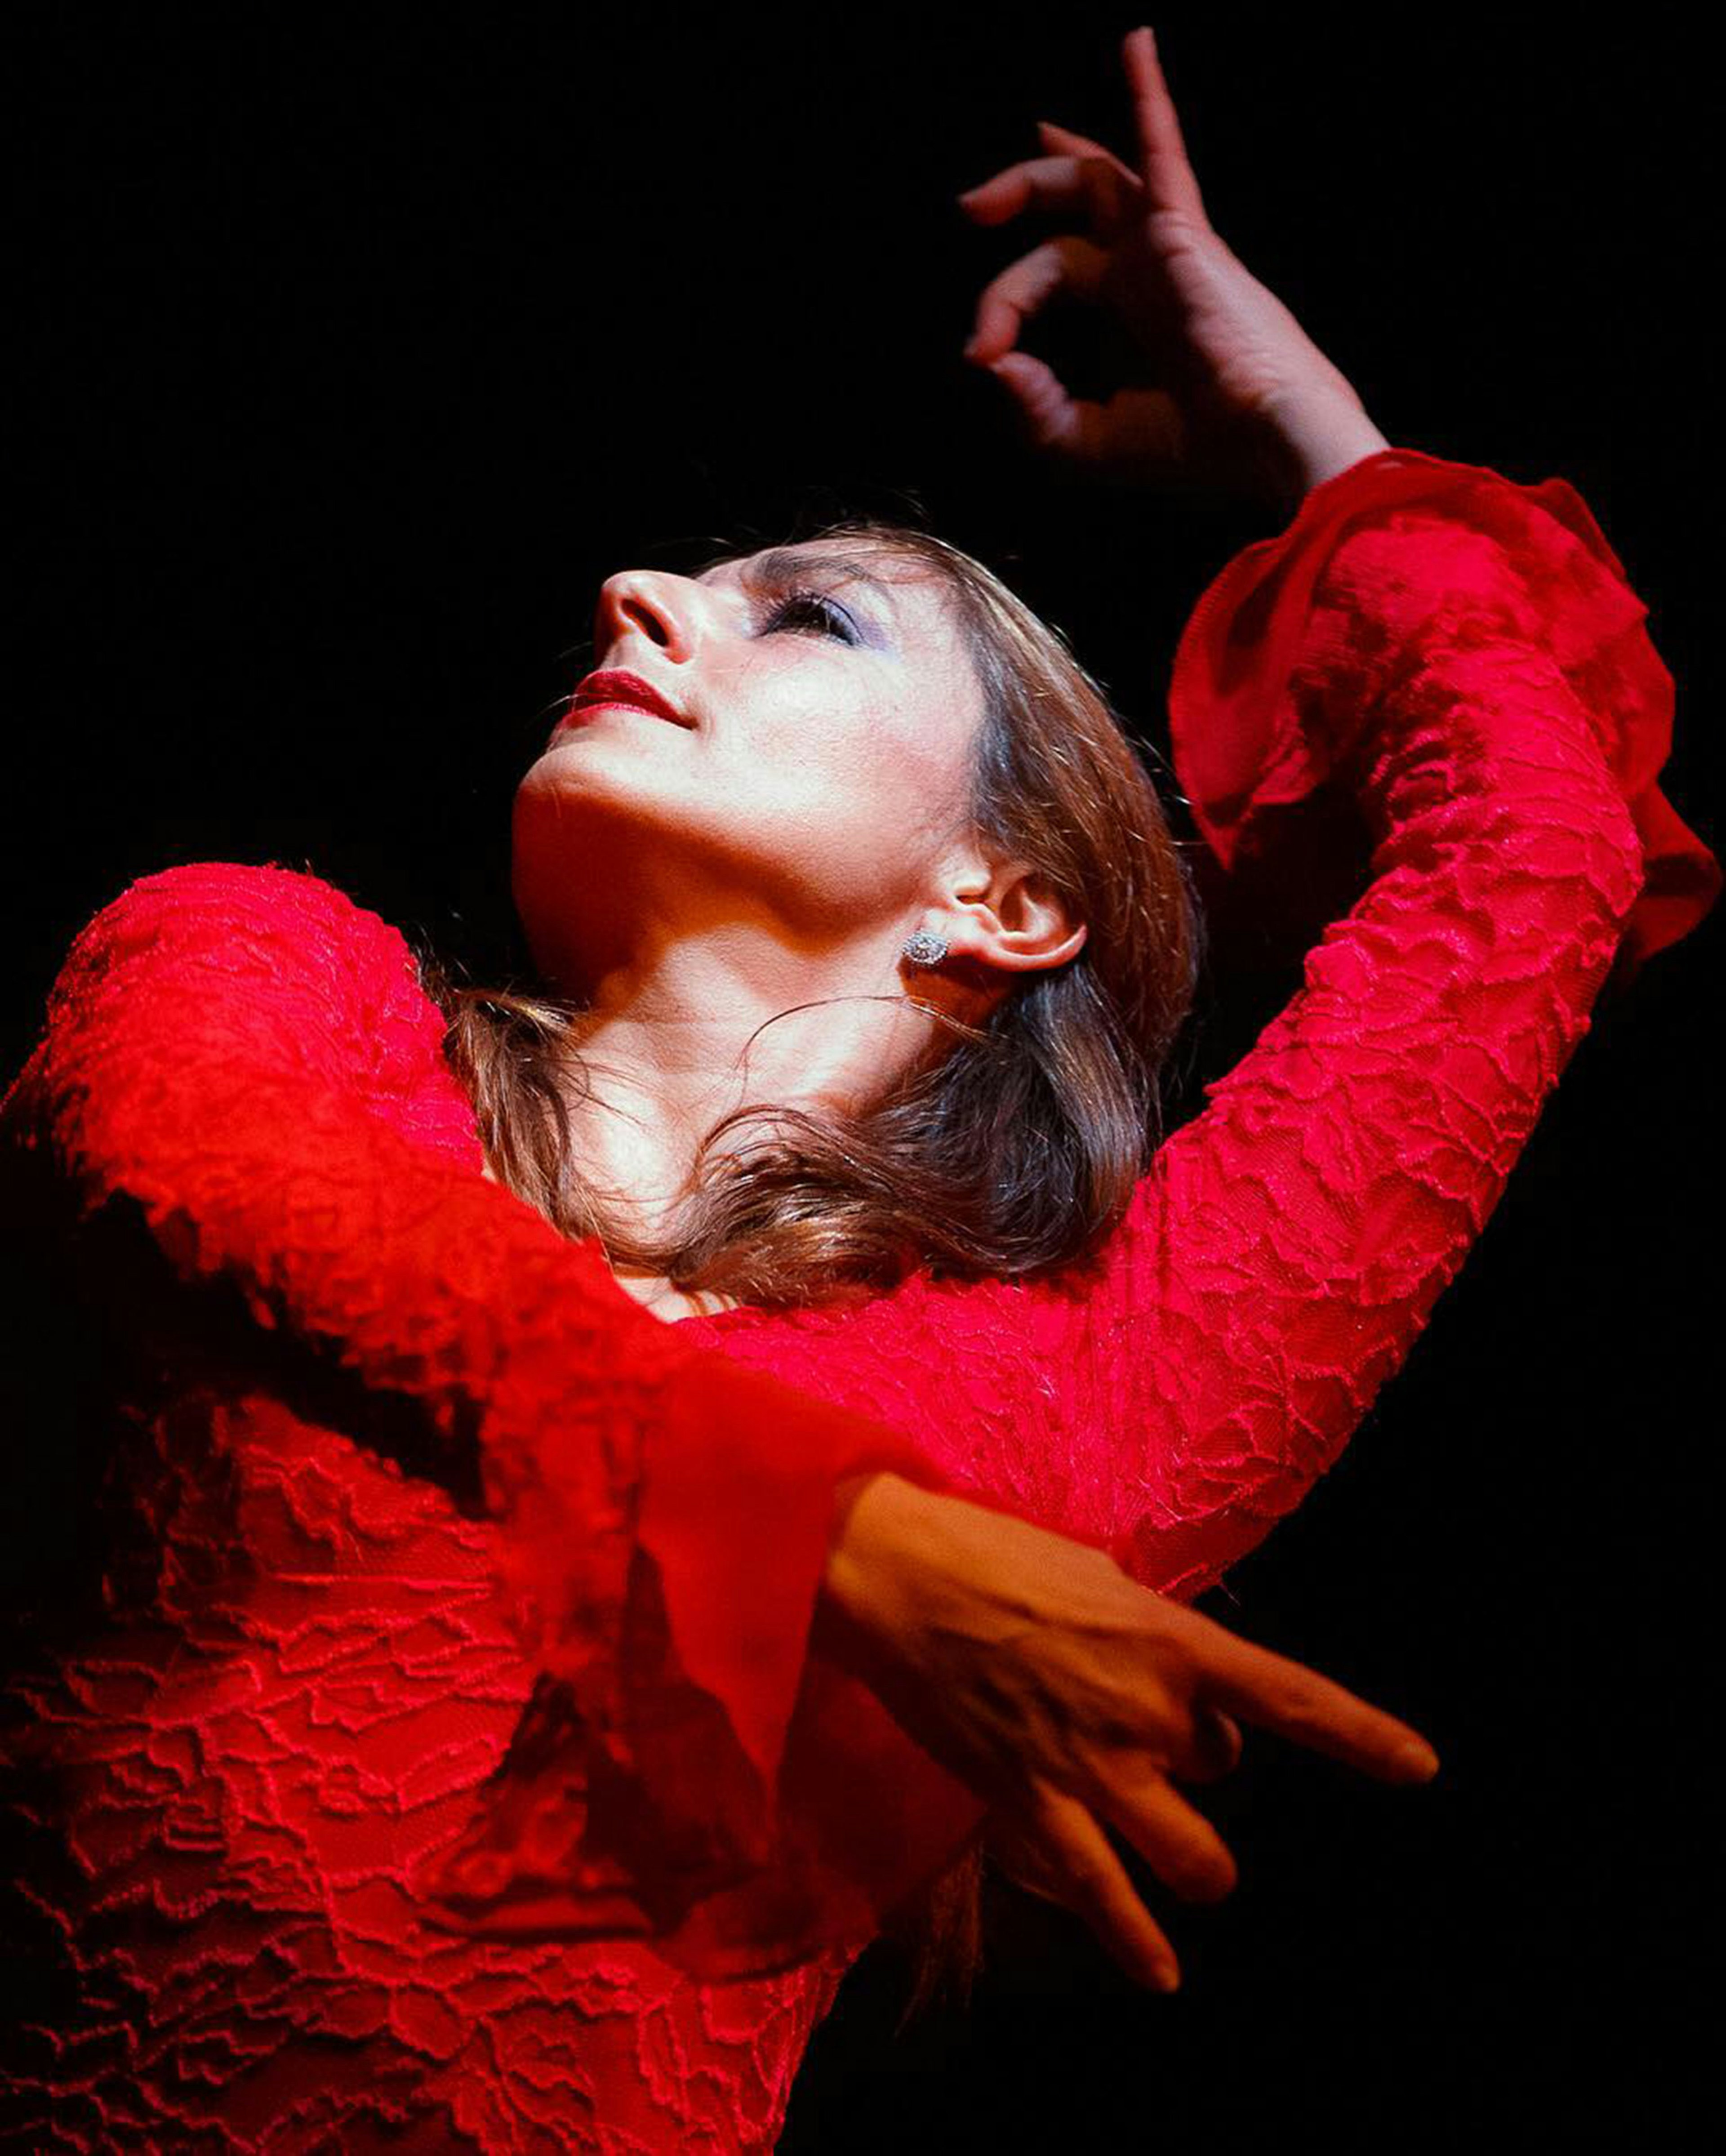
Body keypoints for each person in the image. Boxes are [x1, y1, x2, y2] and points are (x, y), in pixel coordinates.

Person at [0, 24, 1716, 2152]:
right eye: (684, 586)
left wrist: (1316, 440)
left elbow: (1529, 862)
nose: (638, 595)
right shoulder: (276, 971)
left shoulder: (1077, 1394)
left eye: (802, 616)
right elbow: (180, 1158)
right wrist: (810, 1529)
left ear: (1007, 896)